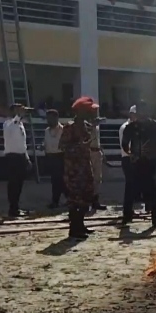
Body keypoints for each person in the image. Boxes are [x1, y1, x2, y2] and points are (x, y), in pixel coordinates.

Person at [121, 101, 156, 227]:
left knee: (153, 191)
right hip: (136, 163)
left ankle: (155, 219)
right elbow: (124, 144)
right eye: (140, 111)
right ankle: (127, 216)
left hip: (151, 162)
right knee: (130, 190)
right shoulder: (130, 127)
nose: (142, 114)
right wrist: (130, 154)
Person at [61, 97, 98, 239]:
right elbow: (63, 146)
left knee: (85, 197)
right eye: (89, 110)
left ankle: (81, 225)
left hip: (84, 167)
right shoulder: (70, 127)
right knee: (75, 199)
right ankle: (74, 229)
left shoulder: (86, 126)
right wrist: (78, 147)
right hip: (74, 170)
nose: (91, 112)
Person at [3, 103, 32, 217]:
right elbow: (11, 126)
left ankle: (16, 207)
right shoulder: (8, 123)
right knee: (13, 183)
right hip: (12, 157)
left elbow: (22, 143)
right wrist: (18, 116)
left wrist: (27, 157)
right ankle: (12, 208)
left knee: (19, 183)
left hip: (21, 156)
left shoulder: (20, 124)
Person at [42, 109, 66, 208]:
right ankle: (56, 201)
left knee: (61, 180)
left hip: (60, 156)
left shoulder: (63, 130)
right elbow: (46, 142)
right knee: (55, 180)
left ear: (56, 118)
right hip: (50, 157)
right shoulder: (46, 131)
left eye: (50, 118)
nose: (48, 120)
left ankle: (60, 200)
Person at [118, 105, 138, 213]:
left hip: (131, 158)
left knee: (133, 186)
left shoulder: (133, 126)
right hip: (128, 158)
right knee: (130, 186)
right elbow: (125, 145)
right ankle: (127, 210)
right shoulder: (126, 127)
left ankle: (130, 209)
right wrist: (131, 155)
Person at [88, 116, 106, 211]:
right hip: (90, 151)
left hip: (97, 151)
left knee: (98, 178)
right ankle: (88, 201)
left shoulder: (97, 127)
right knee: (89, 178)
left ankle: (95, 201)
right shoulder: (86, 126)